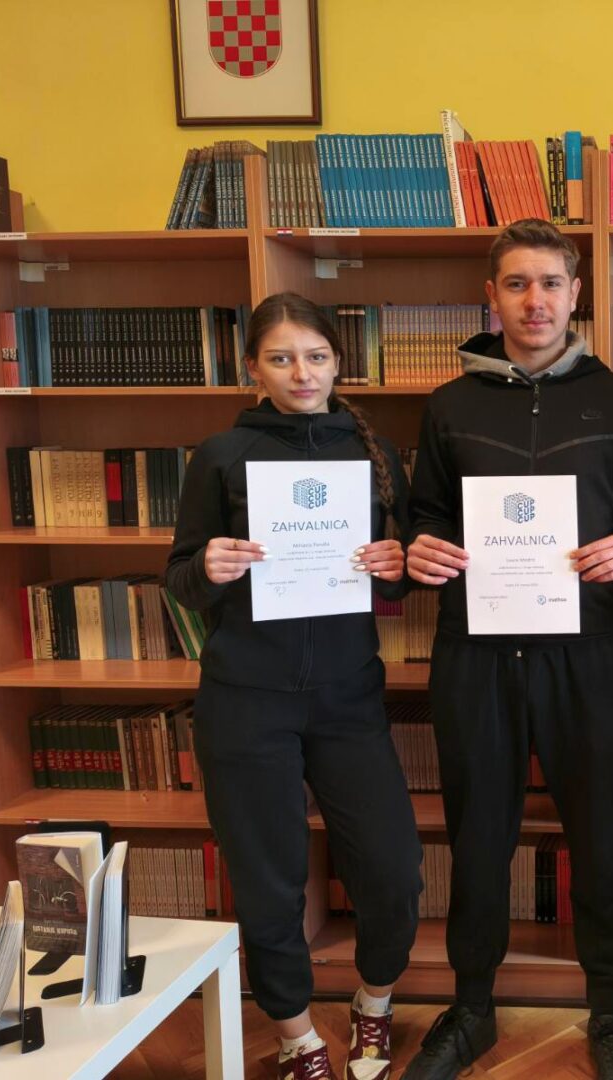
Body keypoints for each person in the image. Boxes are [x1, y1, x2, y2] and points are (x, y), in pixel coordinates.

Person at [401, 219, 613, 1080]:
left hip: (588, 652)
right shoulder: (450, 405)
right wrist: (423, 547)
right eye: (516, 283)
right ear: (492, 296)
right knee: (478, 837)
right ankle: (472, 1007)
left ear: (575, 293)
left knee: (600, 835)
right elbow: (426, 514)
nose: (535, 300)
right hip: (477, 652)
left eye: (550, 283)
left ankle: (610, 1012)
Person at [167, 292, 423, 1080]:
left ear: (338, 361)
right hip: (246, 699)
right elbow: (180, 578)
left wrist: (395, 565)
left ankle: (375, 1005)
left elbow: (398, 577)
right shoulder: (220, 454)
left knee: (392, 869)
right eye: (280, 358)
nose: (301, 373)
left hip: (348, 696)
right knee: (268, 882)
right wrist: (208, 566)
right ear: (253, 367)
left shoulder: (373, 453)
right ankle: (296, 1036)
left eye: (315, 356)